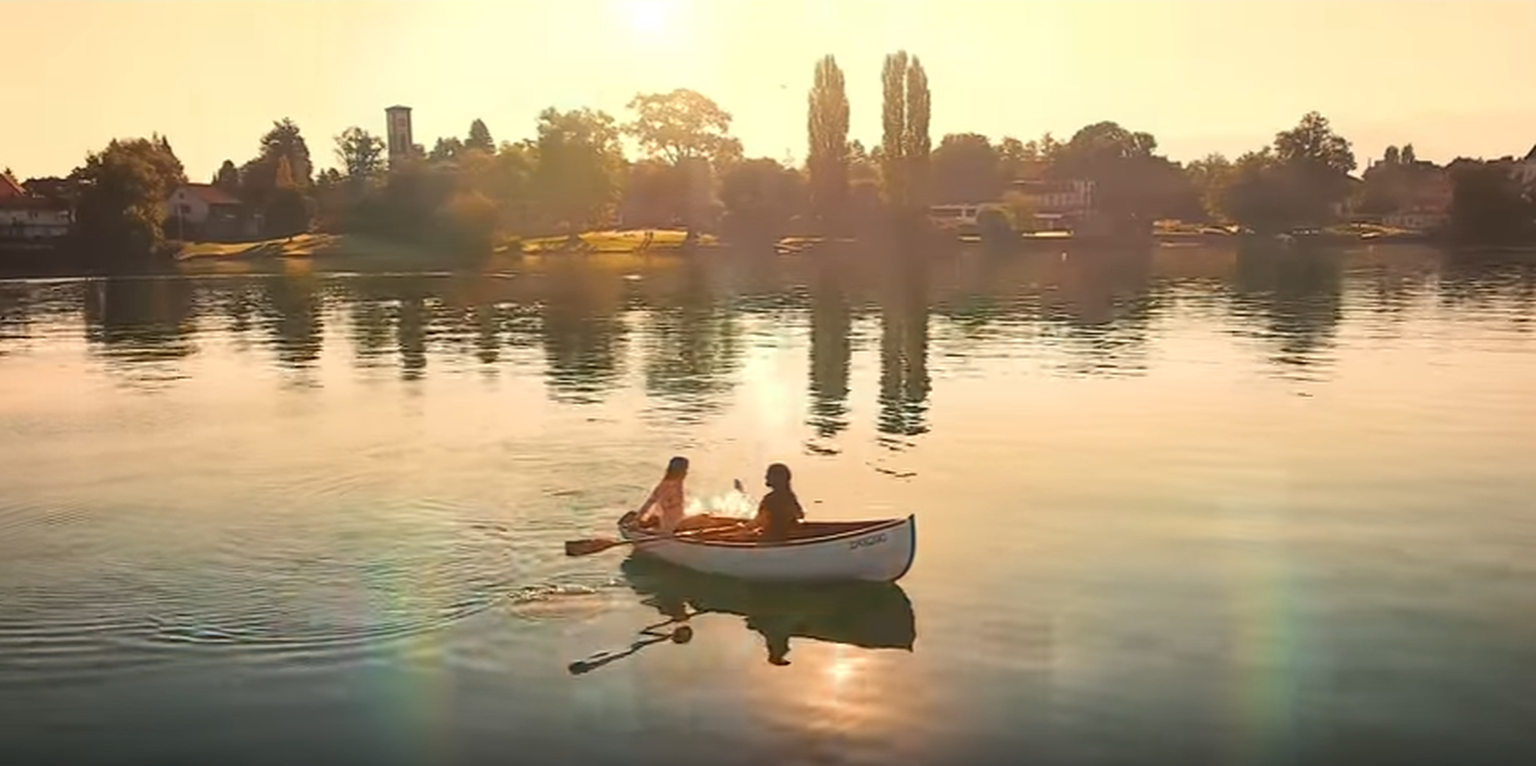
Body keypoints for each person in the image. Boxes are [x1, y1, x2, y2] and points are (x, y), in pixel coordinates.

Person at [635, 457, 733, 535]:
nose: (687, 472)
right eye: (685, 469)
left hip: (674, 524)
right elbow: (666, 508)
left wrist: (638, 518)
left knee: (706, 517)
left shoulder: (667, 483)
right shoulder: (671, 486)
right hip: (672, 527)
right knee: (707, 520)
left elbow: (650, 503)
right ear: (680, 471)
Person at [751, 463, 804, 542]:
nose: (766, 477)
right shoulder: (790, 496)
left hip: (771, 539)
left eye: (768, 474)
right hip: (787, 536)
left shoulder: (769, 499)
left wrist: (741, 527)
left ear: (777, 479)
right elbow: (800, 515)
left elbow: (758, 522)